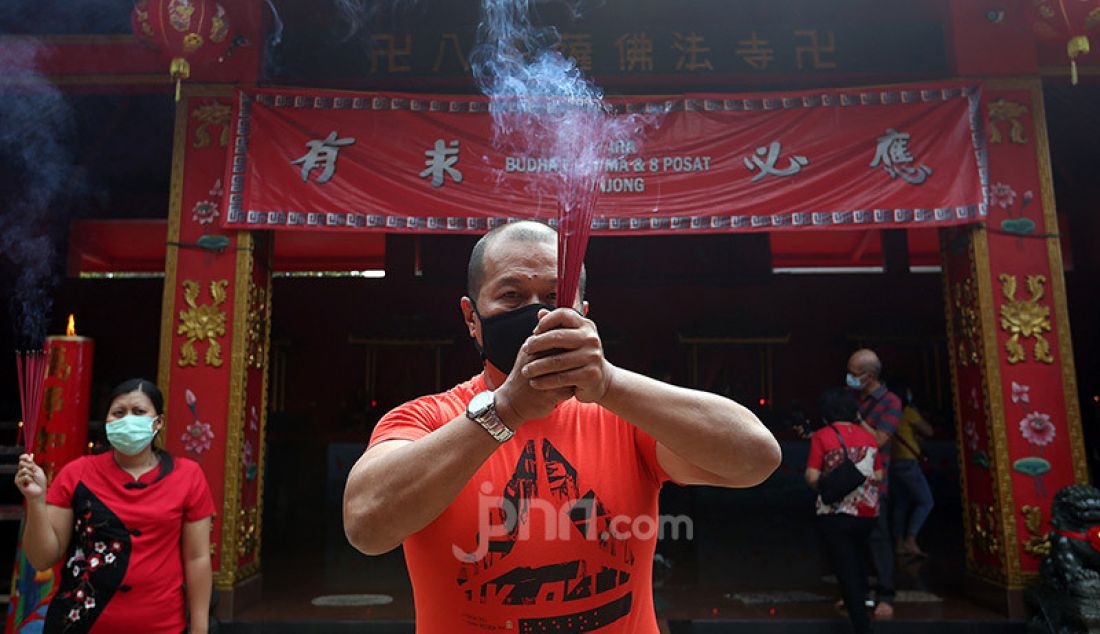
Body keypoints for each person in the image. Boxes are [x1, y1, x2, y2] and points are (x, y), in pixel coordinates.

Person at [343, 220, 782, 633]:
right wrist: (505, 411)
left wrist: (608, 383)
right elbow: (366, 526)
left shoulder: (626, 419)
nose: (536, 315)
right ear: (472, 318)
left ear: (582, 313)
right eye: (512, 296)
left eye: (554, 298)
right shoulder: (426, 420)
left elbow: (756, 458)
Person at [15, 379, 215, 633]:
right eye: (118, 413)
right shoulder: (76, 474)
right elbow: (42, 558)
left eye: (139, 412)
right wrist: (35, 500)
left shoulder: (188, 476)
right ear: (108, 422)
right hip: (79, 623)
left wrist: (200, 627)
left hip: (160, 624)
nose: (128, 420)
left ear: (158, 423)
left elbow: (197, 558)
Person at [805, 387, 882, 634]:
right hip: (867, 513)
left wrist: (831, 485)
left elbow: (812, 475)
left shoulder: (822, 436)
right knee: (859, 559)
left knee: (845, 567)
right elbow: (878, 474)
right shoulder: (869, 437)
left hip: (835, 513)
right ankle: (864, 603)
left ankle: (861, 624)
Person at [846, 348, 902, 619]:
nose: (850, 378)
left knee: (879, 539)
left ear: (868, 376)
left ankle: (885, 595)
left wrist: (856, 420)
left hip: (876, 483)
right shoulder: (856, 398)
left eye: (854, 374)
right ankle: (858, 593)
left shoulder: (890, 402)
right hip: (849, 482)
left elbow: (879, 440)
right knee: (854, 540)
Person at [889, 380, 935, 558]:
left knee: (901, 503)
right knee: (926, 502)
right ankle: (911, 538)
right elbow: (929, 431)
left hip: (893, 463)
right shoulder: (908, 412)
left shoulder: (888, 413)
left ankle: (899, 543)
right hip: (908, 462)